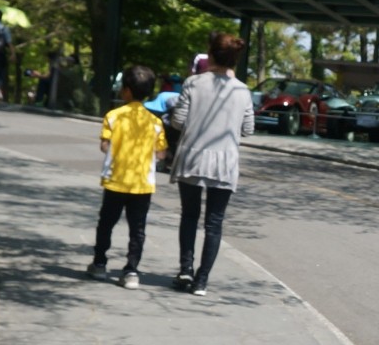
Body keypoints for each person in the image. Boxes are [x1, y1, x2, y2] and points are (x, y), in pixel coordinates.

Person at [167, 33, 255, 296]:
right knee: (214, 223)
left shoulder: (193, 83)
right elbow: (248, 129)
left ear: (211, 55)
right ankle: (202, 281)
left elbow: (177, 121)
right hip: (224, 162)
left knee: (189, 215)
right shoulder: (242, 90)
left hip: (192, 157)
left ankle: (185, 270)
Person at [88, 65, 166, 288]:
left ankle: (99, 263)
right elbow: (161, 153)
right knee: (137, 229)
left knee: (106, 223)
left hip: (116, 180)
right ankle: (131, 271)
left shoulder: (113, 116)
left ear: (127, 91)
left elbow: (105, 146)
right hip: (142, 184)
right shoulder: (155, 122)